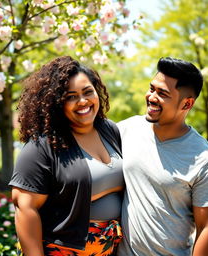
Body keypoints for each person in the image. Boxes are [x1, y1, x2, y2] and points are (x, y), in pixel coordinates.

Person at [9, 56, 124, 256]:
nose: (83, 101)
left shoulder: (109, 130)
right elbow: (25, 208)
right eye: (70, 96)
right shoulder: (41, 147)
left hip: (107, 249)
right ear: (56, 102)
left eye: (88, 92)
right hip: (60, 250)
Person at [117, 57, 208, 256]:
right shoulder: (127, 129)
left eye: (162, 93)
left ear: (187, 104)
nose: (151, 97)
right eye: (152, 89)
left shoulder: (206, 160)